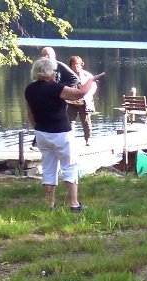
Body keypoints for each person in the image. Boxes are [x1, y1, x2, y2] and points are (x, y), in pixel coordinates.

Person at [24, 57, 103, 211]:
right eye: (54, 71)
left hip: (41, 133)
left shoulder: (29, 89)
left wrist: (38, 128)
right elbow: (80, 93)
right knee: (70, 166)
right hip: (61, 133)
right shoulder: (55, 88)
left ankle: (49, 204)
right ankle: (74, 204)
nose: (55, 74)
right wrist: (90, 79)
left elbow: (30, 114)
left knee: (48, 168)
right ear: (48, 72)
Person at [67, 55, 99, 146]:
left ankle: (88, 139)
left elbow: (93, 86)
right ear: (71, 66)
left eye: (77, 64)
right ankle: (69, 140)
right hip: (71, 101)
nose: (76, 66)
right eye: (73, 65)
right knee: (69, 121)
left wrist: (88, 94)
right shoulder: (68, 75)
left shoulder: (87, 75)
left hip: (84, 102)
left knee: (86, 122)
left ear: (81, 65)